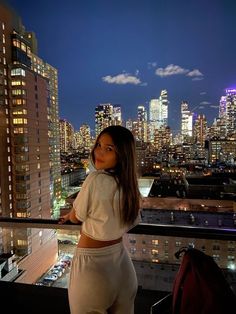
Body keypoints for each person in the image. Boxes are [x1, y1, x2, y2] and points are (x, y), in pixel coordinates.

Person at [59, 125, 142, 314]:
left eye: (109, 149)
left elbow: (77, 215)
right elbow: (131, 220)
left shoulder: (95, 179)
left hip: (93, 269)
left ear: (122, 154)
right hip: (123, 268)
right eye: (98, 145)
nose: (99, 152)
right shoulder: (129, 185)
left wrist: (69, 216)